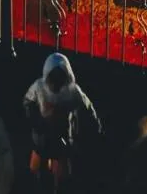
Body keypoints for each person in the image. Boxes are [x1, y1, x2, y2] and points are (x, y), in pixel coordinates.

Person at [24, 52, 100, 188]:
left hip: (62, 139)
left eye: (59, 77)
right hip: (42, 137)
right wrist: (36, 121)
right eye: (53, 77)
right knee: (35, 174)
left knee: (62, 179)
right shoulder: (39, 87)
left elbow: (88, 109)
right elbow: (27, 102)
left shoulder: (73, 92)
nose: (56, 82)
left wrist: (97, 128)